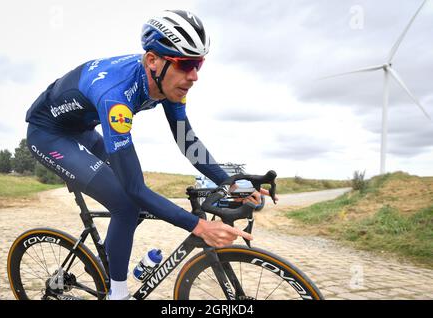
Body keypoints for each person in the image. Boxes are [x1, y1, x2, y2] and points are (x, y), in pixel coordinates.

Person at [25, 10, 271, 300]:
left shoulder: (168, 82)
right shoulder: (115, 94)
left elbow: (186, 140)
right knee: (127, 202)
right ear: (152, 60)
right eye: (185, 64)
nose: (193, 76)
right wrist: (199, 225)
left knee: (135, 200)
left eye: (199, 64)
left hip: (83, 130)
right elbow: (134, 188)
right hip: (48, 135)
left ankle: (112, 253)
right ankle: (118, 293)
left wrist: (232, 183)